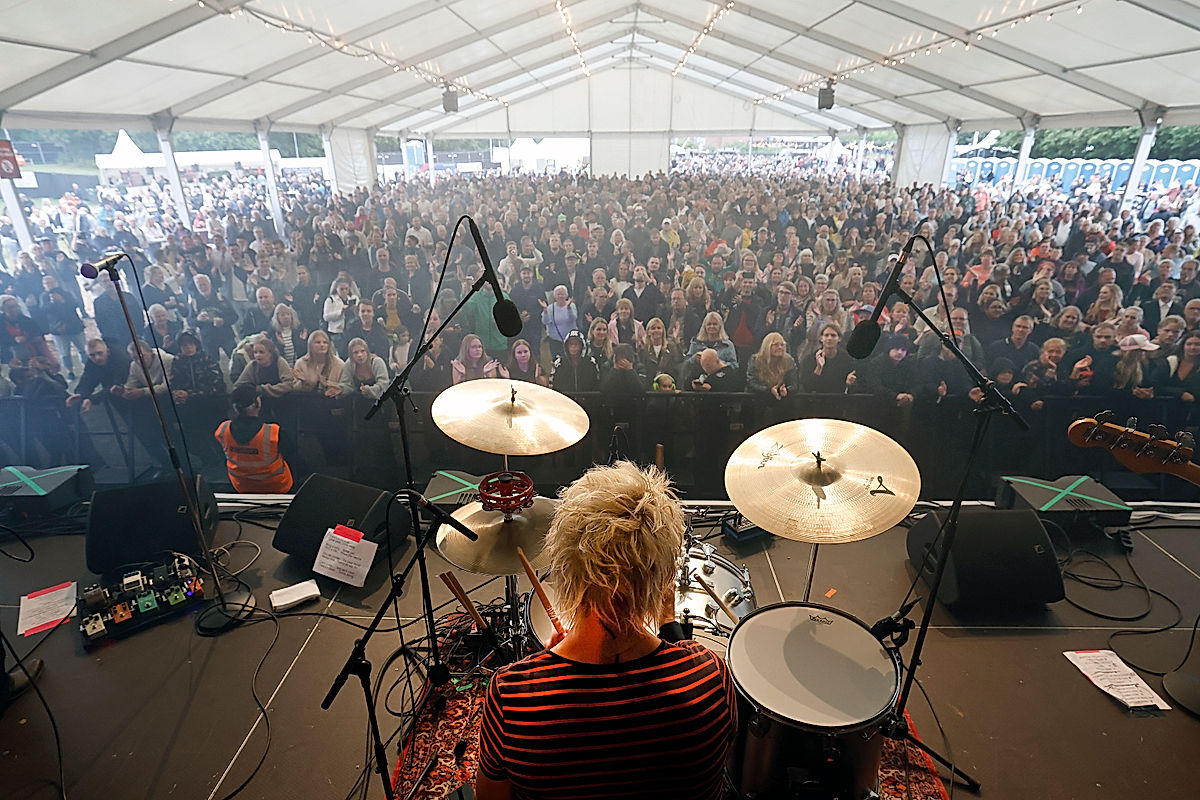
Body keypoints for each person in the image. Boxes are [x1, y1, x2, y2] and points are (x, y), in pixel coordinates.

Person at [476, 461, 736, 800]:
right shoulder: (709, 678)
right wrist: (667, 621)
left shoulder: (512, 698)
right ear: (662, 579)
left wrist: (542, 669)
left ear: (565, 566)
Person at [214, 383, 294, 493]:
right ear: (257, 403)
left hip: (241, 487)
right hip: (277, 487)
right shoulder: (274, 432)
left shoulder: (222, 430)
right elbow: (291, 454)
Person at [234, 334, 296, 400]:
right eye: (255, 352)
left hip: (282, 399)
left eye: (261, 352)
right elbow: (239, 385)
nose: (257, 355)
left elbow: (289, 384)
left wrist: (264, 389)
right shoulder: (253, 365)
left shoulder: (280, 362)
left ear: (270, 353)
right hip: (260, 402)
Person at [799, 324, 856, 394]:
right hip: (816, 400)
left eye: (833, 335)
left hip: (838, 400)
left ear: (839, 339)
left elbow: (853, 389)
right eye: (826, 335)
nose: (829, 338)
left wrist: (849, 384)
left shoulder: (847, 359)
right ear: (821, 338)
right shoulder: (809, 359)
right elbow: (807, 388)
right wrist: (819, 368)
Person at [747, 331, 798, 400]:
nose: (780, 347)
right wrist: (769, 390)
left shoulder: (789, 360)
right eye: (776, 345)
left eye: (782, 345)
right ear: (767, 346)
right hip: (759, 398)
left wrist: (787, 390)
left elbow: (794, 384)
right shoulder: (756, 360)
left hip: (783, 400)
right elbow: (752, 382)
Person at [292, 329, 344, 397]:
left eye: (325, 342)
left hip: (333, 401)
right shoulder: (301, 363)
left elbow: (345, 386)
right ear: (310, 345)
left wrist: (328, 384)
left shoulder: (339, 364)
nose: (322, 345)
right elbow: (294, 388)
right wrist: (304, 383)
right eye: (318, 342)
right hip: (307, 400)